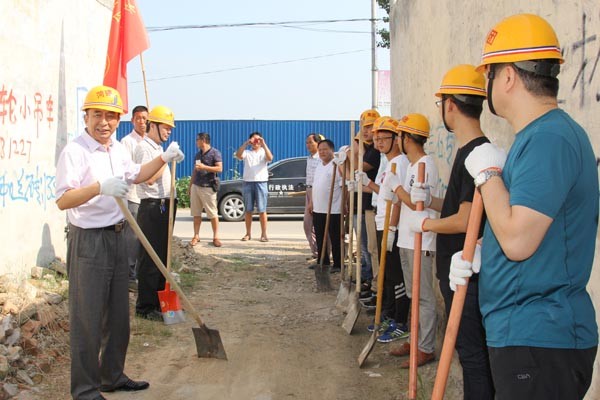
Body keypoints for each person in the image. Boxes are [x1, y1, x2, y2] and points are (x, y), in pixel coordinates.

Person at [449, 14, 598, 399]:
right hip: (529, 336)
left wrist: (487, 175)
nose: (487, 83)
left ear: (508, 77)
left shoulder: (549, 138)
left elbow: (518, 241)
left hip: (540, 339)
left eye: (489, 73)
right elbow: (534, 229)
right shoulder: (539, 137)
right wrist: (483, 253)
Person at [55, 86, 184, 400]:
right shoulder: (75, 152)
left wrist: (164, 158)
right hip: (89, 242)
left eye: (111, 116)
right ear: (86, 117)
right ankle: (85, 390)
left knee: (117, 316)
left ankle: (111, 376)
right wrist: (99, 188)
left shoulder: (117, 149)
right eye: (97, 114)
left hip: (118, 236)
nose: (104, 122)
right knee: (87, 318)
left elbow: (137, 175)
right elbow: (63, 200)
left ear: (117, 120)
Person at [407, 65, 494, 398]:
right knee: (471, 355)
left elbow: (465, 219)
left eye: (441, 102)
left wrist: (426, 224)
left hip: (466, 276)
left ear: (451, 105)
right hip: (459, 274)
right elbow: (461, 206)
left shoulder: (475, 152)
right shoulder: (468, 150)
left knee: (473, 357)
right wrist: (431, 202)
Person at [382, 113, 439, 368]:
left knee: (423, 297)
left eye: (400, 136)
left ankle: (425, 348)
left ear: (406, 138)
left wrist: (396, 187)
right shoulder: (413, 165)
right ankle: (414, 341)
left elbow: (417, 203)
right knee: (412, 295)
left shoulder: (426, 164)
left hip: (421, 240)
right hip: (406, 239)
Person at [357, 116, 411, 343]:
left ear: (396, 139)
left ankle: (401, 321)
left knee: (396, 276)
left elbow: (398, 199)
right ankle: (389, 314)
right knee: (387, 274)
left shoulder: (401, 162)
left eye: (384, 137)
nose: (378, 142)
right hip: (381, 221)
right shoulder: (386, 162)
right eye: (376, 138)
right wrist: (366, 184)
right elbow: (385, 192)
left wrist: (392, 228)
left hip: (392, 226)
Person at [134, 105, 179, 321]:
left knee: (162, 258)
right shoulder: (144, 148)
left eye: (170, 128)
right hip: (152, 206)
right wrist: (165, 159)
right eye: (165, 127)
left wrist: (166, 156)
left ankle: (161, 303)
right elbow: (149, 178)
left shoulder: (158, 149)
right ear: (154, 126)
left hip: (164, 204)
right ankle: (146, 306)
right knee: (150, 259)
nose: (168, 131)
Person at [351, 109, 381, 303]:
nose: (366, 131)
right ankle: (372, 283)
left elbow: (359, 167)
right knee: (367, 248)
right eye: (364, 127)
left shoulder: (375, 152)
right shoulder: (370, 149)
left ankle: (376, 286)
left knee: (372, 249)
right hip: (365, 205)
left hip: (372, 205)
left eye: (370, 127)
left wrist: (355, 152)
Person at [120, 105, 148, 291]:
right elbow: (128, 170)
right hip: (133, 195)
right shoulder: (127, 142)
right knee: (132, 237)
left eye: (145, 118)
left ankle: (140, 273)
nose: (142, 122)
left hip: (147, 196)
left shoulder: (150, 141)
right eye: (138, 118)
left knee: (143, 237)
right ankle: (130, 275)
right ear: (132, 120)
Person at [308, 139, 343, 274]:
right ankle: (323, 261)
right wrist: (311, 202)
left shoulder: (336, 165)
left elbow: (344, 186)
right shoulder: (319, 165)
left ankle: (338, 264)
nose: (322, 152)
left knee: (335, 237)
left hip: (333, 208)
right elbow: (315, 185)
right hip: (318, 207)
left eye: (325, 149)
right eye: (320, 150)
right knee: (320, 235)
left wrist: (344, 203)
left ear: (332, 150)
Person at [235, 131, 273, 242]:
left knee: (262, 210)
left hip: (261, 183)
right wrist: (246, 143)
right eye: (254, 139)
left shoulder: (263, 152)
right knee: (248, 210)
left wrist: (263, 144)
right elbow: (238, 155)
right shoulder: (247, 152)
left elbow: (270, 158)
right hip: (248, 182)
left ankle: (264, 234)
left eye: (258, 140)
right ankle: (248, 234)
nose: (256, 142)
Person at [189, 132, 223, 247]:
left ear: (203, 140)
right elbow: (195, 171)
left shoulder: (215, 153)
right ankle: (196, 235)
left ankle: (216, 237)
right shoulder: (198, 155)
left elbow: (219, 168)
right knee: (196, 213)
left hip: (208, 187)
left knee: (212, 213)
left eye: (197, 139)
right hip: (196, 186)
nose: (196, 142)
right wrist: (190, 186)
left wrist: (205, 167)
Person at [303, 133, 324, 262]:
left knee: (318, 223)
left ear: (318, 143)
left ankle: (323, 253)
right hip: (309, 189)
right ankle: (316, 252)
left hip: (317, 190)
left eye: (311, 142)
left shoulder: (321, 159)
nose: (308, 145)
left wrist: (313, 199)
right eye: (307, 142)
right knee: (307, 224)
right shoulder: (309, 158)